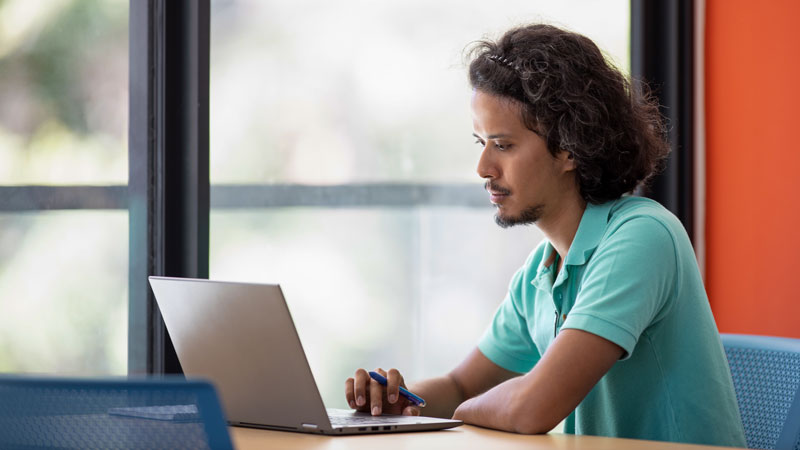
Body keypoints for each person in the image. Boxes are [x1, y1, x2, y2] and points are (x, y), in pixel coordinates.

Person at [344, 24, 746, 446]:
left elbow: (532, 408)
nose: (483, 167)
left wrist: (460, 415)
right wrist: (402, 404)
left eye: (503, 145)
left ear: (568, 147)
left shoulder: (643, 237)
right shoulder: (541, 271)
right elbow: (462, 386)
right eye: (480, 142)